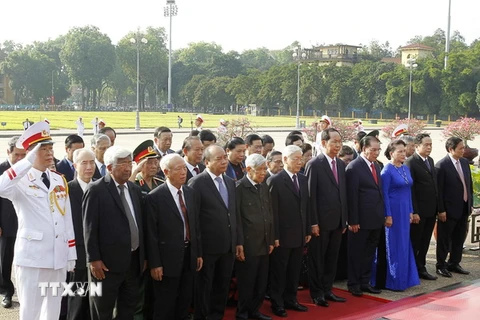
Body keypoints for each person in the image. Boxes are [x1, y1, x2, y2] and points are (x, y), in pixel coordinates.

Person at [0, 121, 76, 320]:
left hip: (57, 256)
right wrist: (25, 162)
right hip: (32, 257)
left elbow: (66, 217)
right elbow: (1, 187)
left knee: (52, 310)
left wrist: (71, 253)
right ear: (32, 152)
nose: (50, 153)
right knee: (30, 311)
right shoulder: (21, 179)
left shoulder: (59, 179)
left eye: (51, 148)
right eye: (43, 149)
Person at [83, 146, 145, 319]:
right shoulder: (96, 190)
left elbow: (139, 223)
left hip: (132, 262)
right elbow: (89, 227)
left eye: (129, 163)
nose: (128, 168)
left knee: (128, 308)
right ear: (109, 167)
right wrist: (93, 259)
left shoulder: (134, 190)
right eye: (123, 164)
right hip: (106, 265)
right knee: (102, 309)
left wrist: (143, 256)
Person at [145, 154, 203, 320]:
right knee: (165, 303)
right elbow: (151, 234)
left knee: (184, 301)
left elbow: (195, 225)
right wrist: (155, 264)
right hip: (166, 260)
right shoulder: (154, 197)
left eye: (184, 168)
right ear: (166, 172)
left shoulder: (190, 193)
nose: (183, 172)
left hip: (188, 256)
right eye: (178, 169)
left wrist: (198, 253)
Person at [188, 145, 238, 320]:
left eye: (225, 157)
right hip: (208, 249)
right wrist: (198, 251)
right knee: (204, 288)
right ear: (206, 162)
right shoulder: (197, 183)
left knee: (222, 286)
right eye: (219, 159)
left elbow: (234, 214)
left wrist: (237, 242)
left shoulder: (230, 182)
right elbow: (193, 221)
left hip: (228, 247)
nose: (224, 161)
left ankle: (217, 316)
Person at [306, 128, 348, 307]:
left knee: (332, 258)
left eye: (340, 141)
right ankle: (317, 293)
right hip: (321, 223)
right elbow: (310, 196)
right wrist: (313, 222)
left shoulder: (340, 164)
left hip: (337, 221)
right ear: (323, 143)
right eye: (334, 141)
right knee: (317, 259)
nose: (338, 145)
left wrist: (344, 219)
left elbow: (343, 194)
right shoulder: (315, 164)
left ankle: (327, 289)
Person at [267, 145, 310, 318]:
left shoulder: (303, 178)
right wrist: (275, 236)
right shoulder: (276, 181)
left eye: (301, 158)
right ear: (285, 160)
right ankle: (277, 303)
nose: (300, 162)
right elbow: (273, 213)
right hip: (282, 236)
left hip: (299, 234)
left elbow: (306, 207)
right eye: (296, 159)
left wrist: (307, 229)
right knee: (279, 272)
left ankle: (291, 299)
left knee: (294, 271)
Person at [373, 140, 420, 291]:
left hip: (405, 211)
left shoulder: (405, 169)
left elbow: (409, 192)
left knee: (404, 244)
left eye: (404, 151)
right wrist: (387, 215)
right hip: (393, 212)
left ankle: (405, 278)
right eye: (399, 151)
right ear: (391, 153)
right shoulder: (387, 171)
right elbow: (384, 195)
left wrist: (411, 211)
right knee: (393, 245)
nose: (403, 154)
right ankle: (392, 280)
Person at [235, 154, 274, 320]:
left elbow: (269, 214)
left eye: (265, 169)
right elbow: (236, 219)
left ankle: (255, 311)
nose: (264, 173)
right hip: (249, 245)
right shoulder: (239, 188)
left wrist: (271, 239)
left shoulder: (263, 186)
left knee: (261, 282)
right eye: (261, 170)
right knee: (247, 282)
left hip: (264, 243)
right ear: (249, 169)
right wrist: (239, 244)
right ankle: (242, 313)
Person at [345, 136, 384, 297]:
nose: (376, 153)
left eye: (378, 149)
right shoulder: (354, 167)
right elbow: (352, 196)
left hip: (375, 218)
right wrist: (353, 220)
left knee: (369, 252)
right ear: (363, 148)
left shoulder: (376, 166)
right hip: (360, 220)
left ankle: (365, 281)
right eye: (373, 150)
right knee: (356, 252)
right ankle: (353, 283)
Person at [435, 137, 473, 277]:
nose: (463, 151)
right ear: (451, 149)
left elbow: (468, 184)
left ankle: (454, 263)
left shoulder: (464, 162)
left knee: (459, 238)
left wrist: (470, 203)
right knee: (444, 239)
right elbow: (439, 191)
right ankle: (441, 265)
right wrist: (441, 210)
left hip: (463, 207)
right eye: (460, 148)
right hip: (448, 210)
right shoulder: (441, 165)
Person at [404, 133, 440, 281]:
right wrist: (415, 211)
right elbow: (411, 190)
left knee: (425, 241)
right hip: (419, 211)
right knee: (415, 241)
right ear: (417, 146)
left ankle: (421, 267)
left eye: (430, 144)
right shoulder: (411, 162)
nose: (429, 147)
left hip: (431, 209)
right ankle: (411, 269)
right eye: (426, 144)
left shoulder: (430, 161)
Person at [67, 148, 96, 320]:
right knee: (77, 299)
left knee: (96, 301)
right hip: (76, 256)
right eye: (84, 163)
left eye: (92, 162)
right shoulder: (66, 191)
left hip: (99, 258)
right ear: (75, 165)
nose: (89, 167)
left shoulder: (102, 187)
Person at [0, 136, 25, 308]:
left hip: (27, 224)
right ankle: (6, 291)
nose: (20, 159)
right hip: (6, 223)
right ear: (8, 152)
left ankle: (26, 292)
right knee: (5, 259)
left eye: (24, 155)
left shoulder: (30, 169)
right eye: (17, 155)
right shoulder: (1, 170)